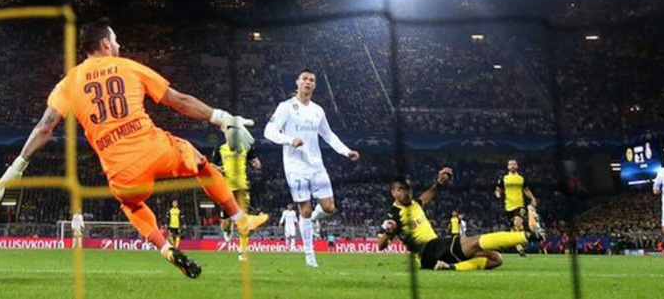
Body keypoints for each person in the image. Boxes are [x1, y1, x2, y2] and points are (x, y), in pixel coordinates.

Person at [0, 18, 269, 278]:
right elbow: (179, 101)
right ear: (105, 44)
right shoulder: (129, 67)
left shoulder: (69, 82)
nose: (119, 45)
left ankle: (165, 248)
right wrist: (221, 118)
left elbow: (45, 127)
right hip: (153, 148)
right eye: (115, 40)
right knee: (199, 162)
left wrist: (17, 166)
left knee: (132, 205)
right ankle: (240, 219)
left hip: (120, 170)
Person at [264, 69, 360, 268]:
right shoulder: (286, 107)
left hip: (316, 165)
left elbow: (328, 135)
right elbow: (269, 131)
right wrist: (289, 140)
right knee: (305, 210)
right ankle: (310, 256)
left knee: (329, 208)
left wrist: (346, 151)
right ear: (297, 82)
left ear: (314, 86)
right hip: (295, 167)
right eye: (305, 79)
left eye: (311, 80)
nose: (308, 82)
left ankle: (314, 219)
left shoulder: (318, 110)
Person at [377, 167, 545, 271]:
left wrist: (440, 182)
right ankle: (528, 235)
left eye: (408, 189)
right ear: (393, 192)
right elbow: (381, 245)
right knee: (475, 241)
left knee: (495, 259)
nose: (406, 192)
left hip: (437, 249)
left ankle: (449, 267)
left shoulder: (415, 204)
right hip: (427, 251)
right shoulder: (395, 214)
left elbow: (428, 195)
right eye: (401, 189)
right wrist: (388, 231)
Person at [212, 138, 262, 261]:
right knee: (225, 222)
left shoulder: (245, 147)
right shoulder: (220, 148)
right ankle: (227, 229)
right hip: (226, 188)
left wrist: (256, 163)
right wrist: (219, 168)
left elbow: (257, 163)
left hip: (242, 188)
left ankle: (242, 251)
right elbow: (211, 165)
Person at [494, 159, 538, 257]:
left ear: (517, 166)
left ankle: (521, 239)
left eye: (514, 164)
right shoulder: (504, 178)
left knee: (517, 223)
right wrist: (498, 193)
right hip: (508, 206)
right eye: (510, 164)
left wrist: (533, 198)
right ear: (508, 167)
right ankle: (519, 247)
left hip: (520, 205)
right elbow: (498, 189)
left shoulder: (521, 178)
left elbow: (526, 190)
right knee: (514, 227)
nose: (512, 165)